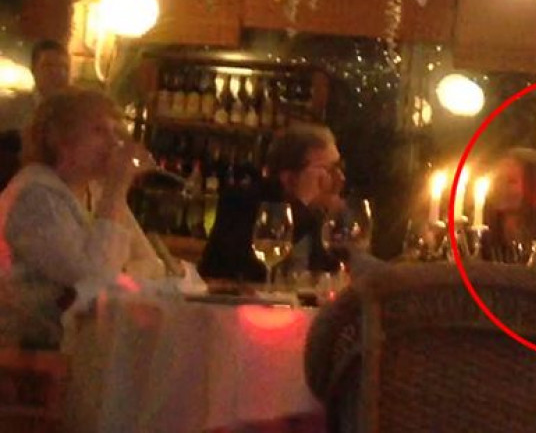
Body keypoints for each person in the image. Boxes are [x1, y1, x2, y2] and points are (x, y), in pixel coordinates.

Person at [0, 88, 165, 349]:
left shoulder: (95, 192)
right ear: (60, 140)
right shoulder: (35, 196)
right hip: (29, 354)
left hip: (82, 346)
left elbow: (153, 266)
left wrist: (119, 275)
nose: (114, 143)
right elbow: (96, 280)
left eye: (115, 132)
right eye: (99, 131)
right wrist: (117, 188)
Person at [198, 122, 345, 281]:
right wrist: (303, 200)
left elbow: (329, 276)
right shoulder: (242, 202)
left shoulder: (319, 214)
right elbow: (240, 270)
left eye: (339, 167)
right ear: (289, 178)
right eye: (328, 169)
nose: (339, 178)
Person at [0, 40, 71, 191]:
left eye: (64, 67)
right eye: (48, 66)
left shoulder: (74, 114)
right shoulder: (11, 108)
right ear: (34, 70)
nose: (57, 73)